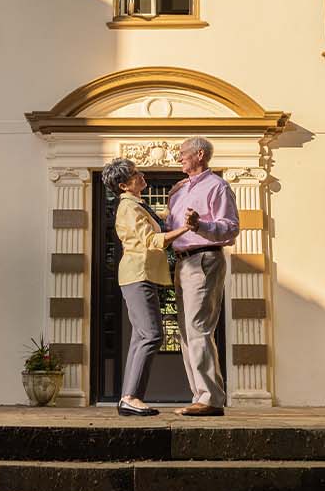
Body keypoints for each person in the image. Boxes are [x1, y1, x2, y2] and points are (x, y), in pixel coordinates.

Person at [101, 157, 196, 416]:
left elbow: (160, 219)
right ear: (123, 185)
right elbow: (153, 239)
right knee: (152, 334)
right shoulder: (129, 209)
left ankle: (128, 398)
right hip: (138, 275)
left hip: (142, 275)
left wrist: (176, 197)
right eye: (134, 174)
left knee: (142, 336)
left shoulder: (138, 205)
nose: (141, 175)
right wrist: (186, 229)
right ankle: (131, 397)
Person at [165, 136, 239, 416]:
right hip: (182, 263)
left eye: (183, 152)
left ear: (199, 154)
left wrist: (200, 224)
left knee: (198, 328)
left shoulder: (217, 186)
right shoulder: (180, 190)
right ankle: (201, 395)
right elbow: (172, 227)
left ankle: (210, 398)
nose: (179, 157)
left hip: (205, 258)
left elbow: (231, 228)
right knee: (187, 332)